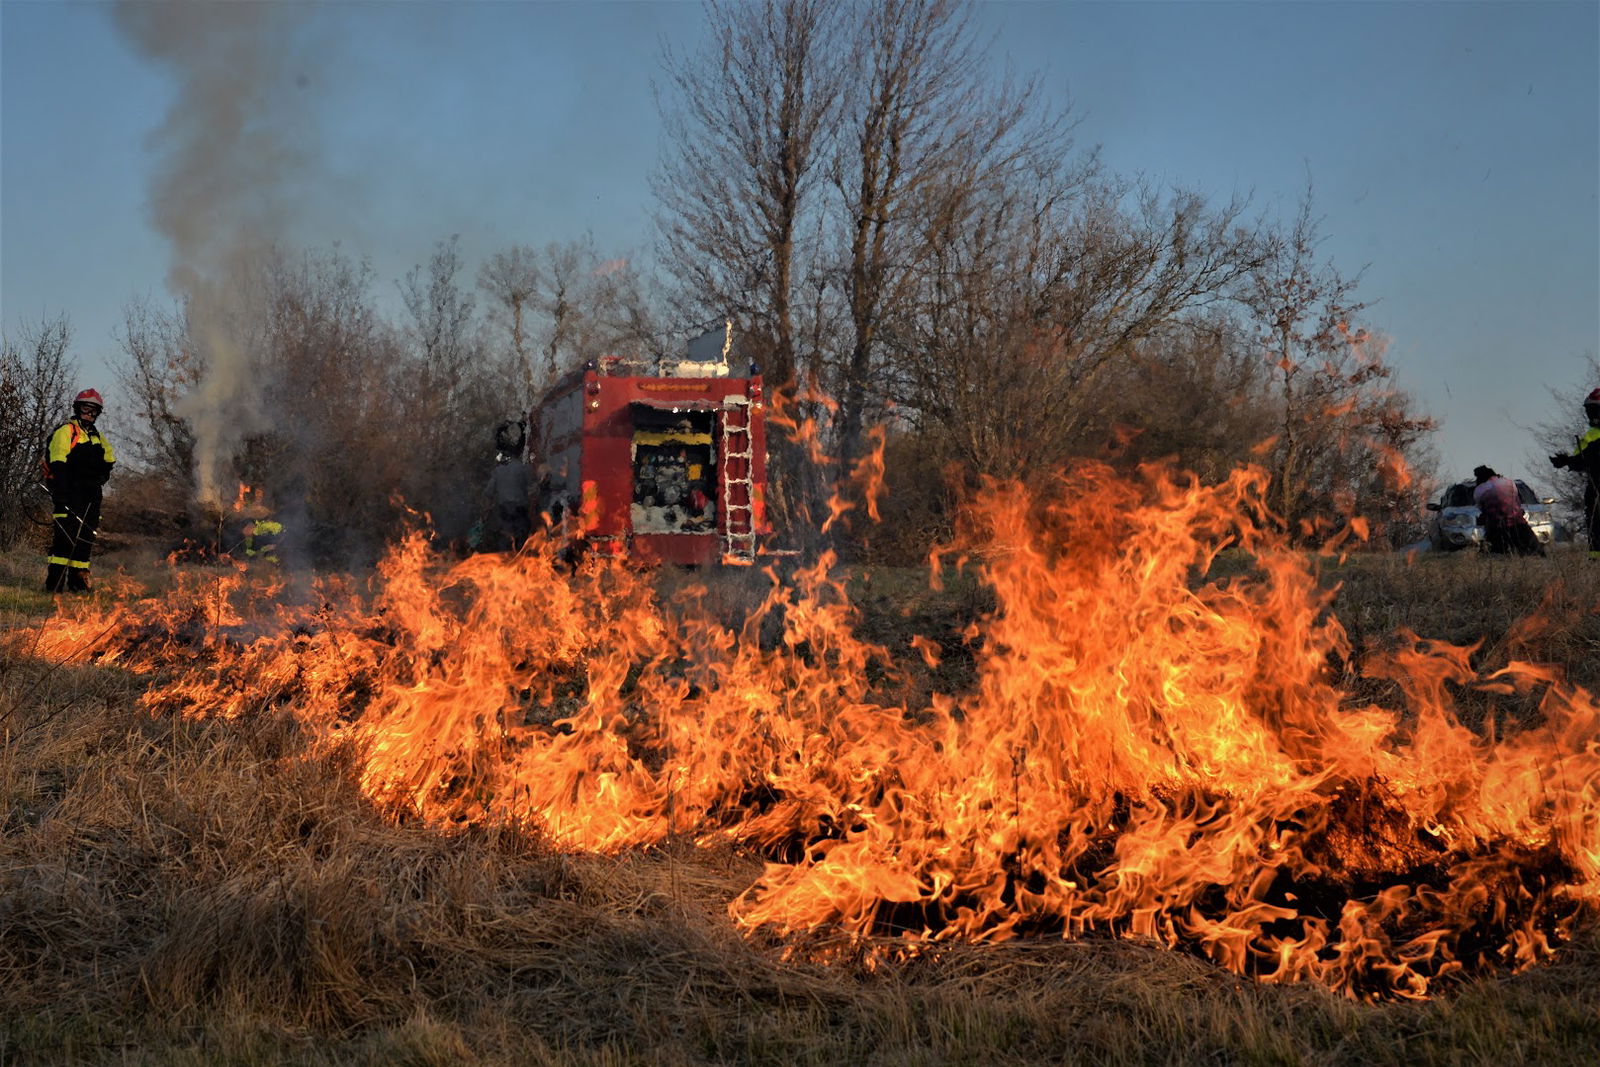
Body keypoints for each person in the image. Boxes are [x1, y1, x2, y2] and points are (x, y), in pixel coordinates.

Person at [43, 389, 116, 593]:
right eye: (86, 408)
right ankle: (54, 585)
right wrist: (60, 495)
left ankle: (78, 584)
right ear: (77, 408)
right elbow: (58, 463)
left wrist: (103, 476)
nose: (90, 414)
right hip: (67, 495)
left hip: (91, 497)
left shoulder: (97, 437)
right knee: (64, 541)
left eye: (94, 411)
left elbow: (109, 459)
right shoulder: (66, 431)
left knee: (85, 541)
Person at [1549, 387, 1600, 559]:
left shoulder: (1593, 438)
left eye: (1595, 410)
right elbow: (1581, 461)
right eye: (1590, 410)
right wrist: (1566, 461)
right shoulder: (1591, 435)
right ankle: (1595, 562)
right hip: (1595, 487)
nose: (1592, 415)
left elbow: (1587, 458)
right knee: (1595, 524)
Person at [1471, 465, 1543, 557]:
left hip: (1497, 528)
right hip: (1519, 525)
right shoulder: (1509, 483)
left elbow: (1482, 509)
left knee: (1498, 556)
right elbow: (1517, 501)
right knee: (1535, 553)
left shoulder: (1479, 490)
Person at [485, 451, 532, 551]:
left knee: (506, 536)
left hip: (505, 509)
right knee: (522, 536)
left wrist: (487, 509)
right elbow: (532, 487)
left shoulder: (498, 470)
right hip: (521, 508)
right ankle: (522, 560)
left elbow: (489, 492)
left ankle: (506, 561)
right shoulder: (523, 468)